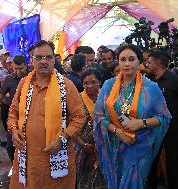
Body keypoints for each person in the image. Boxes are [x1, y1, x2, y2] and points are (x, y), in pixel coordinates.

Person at [8, 40, 86, 188]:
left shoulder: (66, 85)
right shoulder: (24, 84)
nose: (44, 61)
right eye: (39, 57)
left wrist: (62, 139)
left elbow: (79, 117)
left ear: (54, 60)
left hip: (56, 156)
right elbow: (13, 112)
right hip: (27, 158)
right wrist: (13, 130)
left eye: (48, 57)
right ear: (32, 60)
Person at [94, 44, 171, 189]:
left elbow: (164, 117)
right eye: (123, 59)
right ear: (118, 61)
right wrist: (118, 132)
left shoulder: (151, 88)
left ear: (139, 61)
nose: (127, 63)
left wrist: (141, 123)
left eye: (131, 59)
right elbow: (99, 116)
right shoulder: (108, 86)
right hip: (115, 146)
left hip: (140, 147)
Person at [146, 49, 178, 189]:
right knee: (150, 162)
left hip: (173, 130)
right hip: (152, 129)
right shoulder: (148, 81)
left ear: (157, 63)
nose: (146, 64)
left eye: (149, 61)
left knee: (173, 162)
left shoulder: (174, 80)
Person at [75, 68, 106, 189]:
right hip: (83, 147)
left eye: (94, 82)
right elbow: (70, 125)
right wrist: (83, 144)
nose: (90, 86)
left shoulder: (106, 99)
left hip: (103, 147)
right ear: (82, 84)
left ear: (100, 82)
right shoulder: (76, 99)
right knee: (83, 179)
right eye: (86, 83)